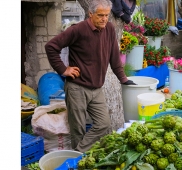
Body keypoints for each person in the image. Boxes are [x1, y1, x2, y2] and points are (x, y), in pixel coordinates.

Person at [45, 0, 136, 152]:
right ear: (90, 14)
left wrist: (124, 79)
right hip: (77, 88)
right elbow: (51, 47)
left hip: (96, 89)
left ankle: (77, 154)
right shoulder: (78, 30)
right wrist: (63, 69)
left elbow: (114, 58)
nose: (104, 19)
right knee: (78, 130)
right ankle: (80, 161)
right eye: (100, 15)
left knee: (104, 124)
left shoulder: (109, 29)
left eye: (107, 15)